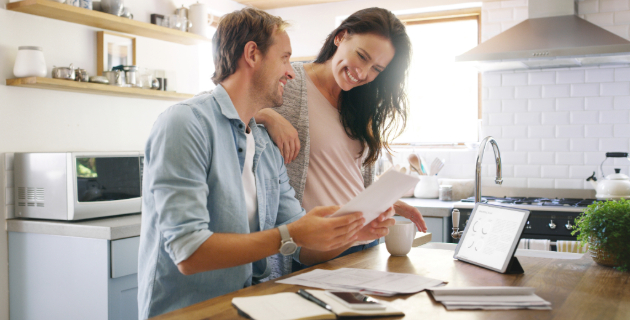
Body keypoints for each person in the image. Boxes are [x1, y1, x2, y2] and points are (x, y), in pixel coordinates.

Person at [137, 8, 395, 319]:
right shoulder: (184, 124)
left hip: (247, 307)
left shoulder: (264, 146)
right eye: (285, 58)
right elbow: (188, 252)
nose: (291, 71)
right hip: (189, 312)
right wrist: (291, 234)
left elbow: (302, 247)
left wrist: (353, 230)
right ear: (252, 55)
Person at [255, 7, 427, 276]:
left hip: (364, 244)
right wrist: (267, 116)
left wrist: (385, 201)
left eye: (377, 68)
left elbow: (347, 176)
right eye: (362, 56)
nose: (363, 73)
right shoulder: (290, 81)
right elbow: (228, 101)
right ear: (341, 37)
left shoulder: (362, 104)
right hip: (312, 250)